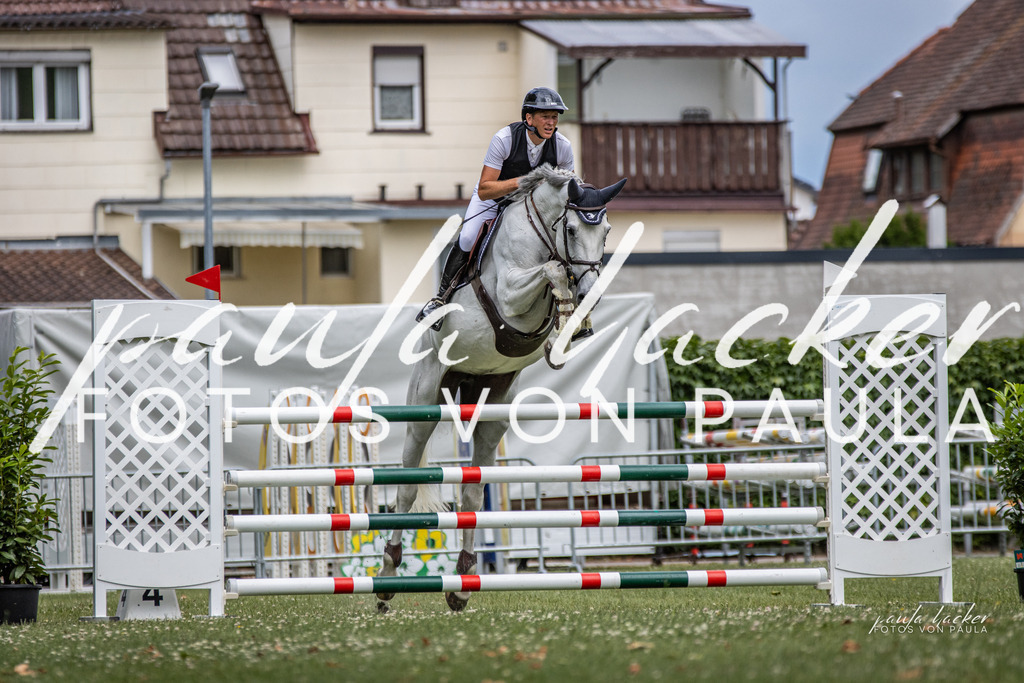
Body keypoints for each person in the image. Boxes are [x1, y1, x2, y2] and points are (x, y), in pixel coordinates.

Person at [417, 87, 574, 328]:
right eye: (545, 116)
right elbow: (485, 189)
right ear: (529, 118)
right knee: (468, 236)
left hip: (531, 206)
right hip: (494, 199)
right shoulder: (505, 139)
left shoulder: (562, 146)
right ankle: (440, 299)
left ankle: (574, 306)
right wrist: (524, 181)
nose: (551, 123)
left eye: (554, 117)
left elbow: (567, 192)